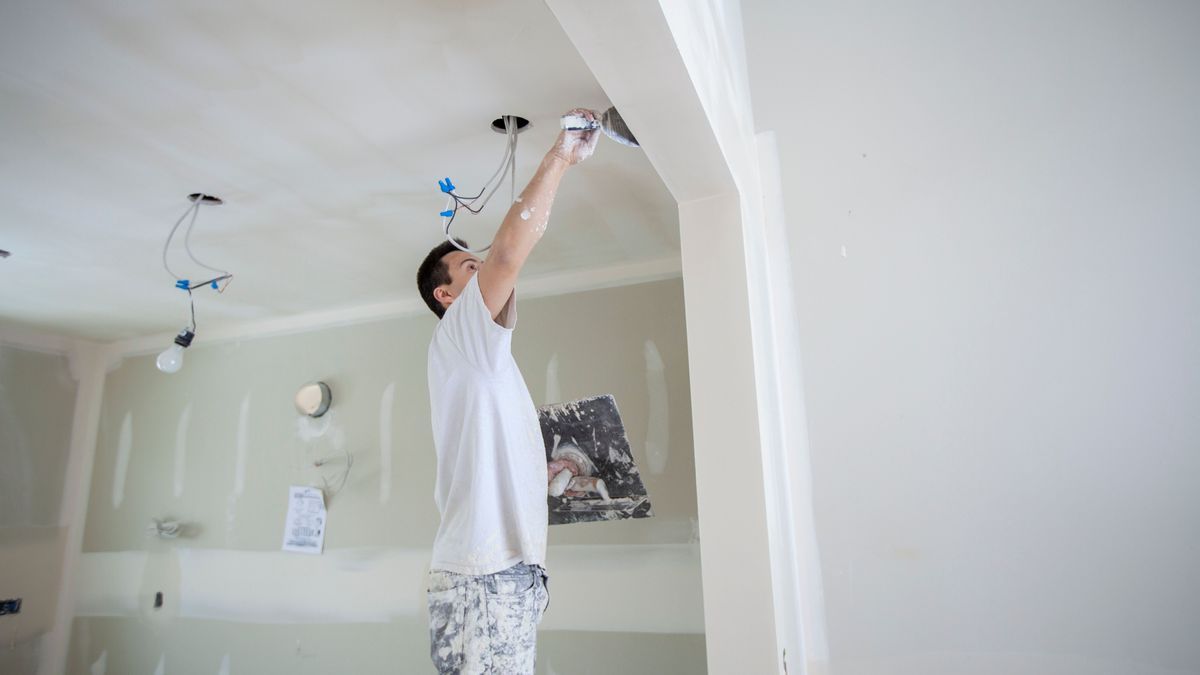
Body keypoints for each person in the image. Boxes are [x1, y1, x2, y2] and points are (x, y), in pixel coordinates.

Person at [415, 108, 601, 674]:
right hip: (486, 574)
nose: (487, 273)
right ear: (447, 298)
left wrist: (540, 476)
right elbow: (508, 254)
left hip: (501, 574)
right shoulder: (462, 333)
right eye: (468, 268)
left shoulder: (485, 363)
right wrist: (560, 156)